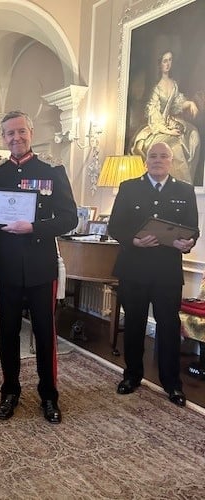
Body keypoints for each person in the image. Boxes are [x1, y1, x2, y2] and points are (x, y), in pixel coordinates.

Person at [0, 111, 77, 424]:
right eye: (9, 134)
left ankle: (49, 395)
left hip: (39, 265)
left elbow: (69, 219)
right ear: (3, 138)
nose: (16, 138)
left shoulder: (51, 170)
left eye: (21, 131)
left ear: (30, 132)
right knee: (7, 331)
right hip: (7, 266)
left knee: (44, 333)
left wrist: (34, 227)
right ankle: (10, 391)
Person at [108, 141, 199, 407]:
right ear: (146, 161)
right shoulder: (129, 188)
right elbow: (115, 226)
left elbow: (192, 229)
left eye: (163, 156)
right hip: (133, 268)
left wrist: (188, 243)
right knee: (134, 324)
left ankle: (172, 384)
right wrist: (133, 241)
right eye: (153, 156)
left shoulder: (184, 190)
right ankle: (132, 375)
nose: (158, 160)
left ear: (171, 161)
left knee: (169, 327)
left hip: (167, 272)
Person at [131, 50, 200, 184]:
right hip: (156, 126)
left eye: (170, 60)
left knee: (194, 134)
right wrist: (168, 131)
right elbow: (153, 112)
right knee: (175, 147)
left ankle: (187, 185)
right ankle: (179, 183)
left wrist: (190, 103)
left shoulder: (173, 83)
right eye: (165, 61)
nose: (168, 64)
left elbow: (176, 103)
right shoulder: (155, 87)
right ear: (159, 64)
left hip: (170, 121)